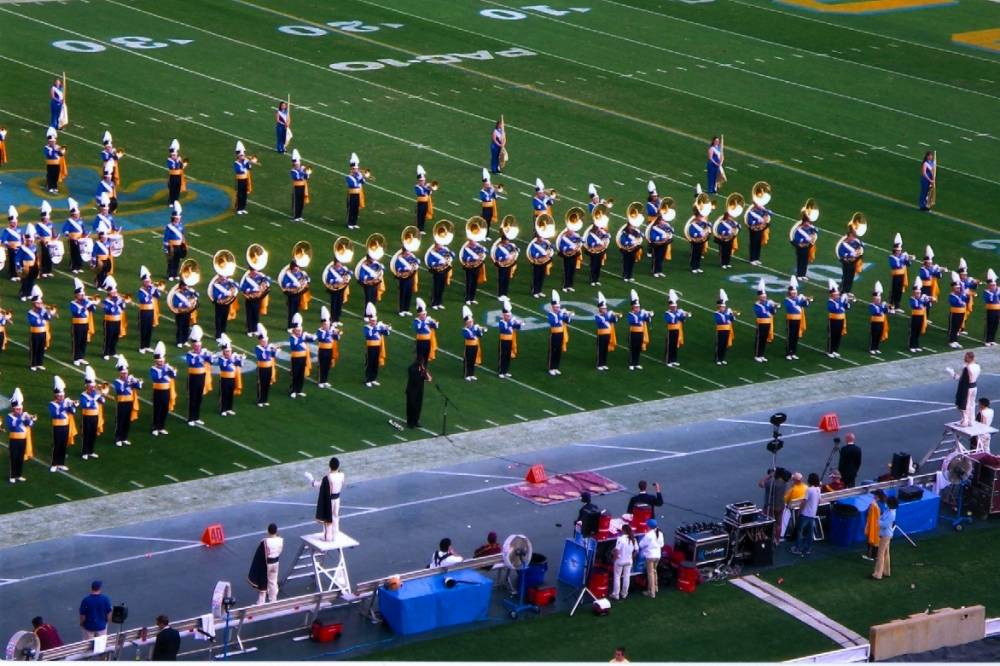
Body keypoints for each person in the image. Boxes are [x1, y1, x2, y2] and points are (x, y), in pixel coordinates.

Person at [308, 458, 345, 541]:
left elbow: (317, 484)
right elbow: (341, 482)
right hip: (337, 498)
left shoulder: (328, 477)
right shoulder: (342, 475)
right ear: (338, 466)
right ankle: (335, 535)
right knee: (335, 516)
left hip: (329, 500)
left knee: (327, 518)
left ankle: (327, 536)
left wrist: (311, 479)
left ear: (330, 466)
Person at [248, 523, 283, 605]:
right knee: (273, 581)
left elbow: (259, 556)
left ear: (268, 531)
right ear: (276, 531)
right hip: (276, 562)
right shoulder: (280, 540)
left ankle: (261, 603)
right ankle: (273, 600)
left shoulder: (265, 542)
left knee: (263, 583)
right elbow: (280, 551)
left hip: (266, 564)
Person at [184, 325, 212, 425]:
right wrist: (201, 356)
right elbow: (191, 362)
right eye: (196, 346)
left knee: (199, 397)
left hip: (202, 376)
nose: (198, 348)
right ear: (193, 347)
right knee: (193, 397)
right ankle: (191, 418)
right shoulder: (189, 354)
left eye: (199, 346)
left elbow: (210, 361)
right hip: (193, 377)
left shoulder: (203, 353)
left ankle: (197, 417)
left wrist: (210, 356)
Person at [149, 341, 177, 437]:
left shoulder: (166, 368)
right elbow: (156, 378)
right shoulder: (153, 369)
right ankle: (155, 427)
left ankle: (161, 427)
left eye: (162, 361)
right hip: (158, 391)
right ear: (156, 362)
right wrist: (166, 371)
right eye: (159, 362)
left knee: (165, 409)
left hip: (166, 391)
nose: (161, 363)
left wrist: (172, 371)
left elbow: (173, 376)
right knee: (157, 409)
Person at [112, 356, 141, 447]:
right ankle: (118, 438)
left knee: (127, 421)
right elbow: (120, 390)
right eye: (123, 374)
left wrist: (137, 382)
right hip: (121, 403)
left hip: (129, 402)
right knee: (120, 421)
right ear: (120, 374)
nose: (125, 375)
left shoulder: (129, 379)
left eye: (126, 373)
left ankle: (124, 437)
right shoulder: (117, 381)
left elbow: (139, 387)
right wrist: (128, 382)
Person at [791, 473, 821, 557]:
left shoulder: (809, 490)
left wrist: (799, 511)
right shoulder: (818, 489)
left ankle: (797, 548)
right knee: (810, 532)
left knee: (800, 531)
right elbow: (819, 501)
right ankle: (808, 549)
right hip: (812, 514)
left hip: (805, 514)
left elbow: (804, 502)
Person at [949, 351, 981, 427]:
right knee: (971, 404)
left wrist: (952, 374)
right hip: (974, 387)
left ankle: (965, 421)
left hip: (967, 388)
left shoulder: (967, 367)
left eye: (966, 357)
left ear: (970, 358)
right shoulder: (977, 366)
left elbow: (962, 379)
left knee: (964, 404)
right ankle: (971, 421)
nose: (964, 358)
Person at [287, 313, 315, 398]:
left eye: (300, 331)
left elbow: (313, 339)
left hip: (303, 358)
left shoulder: (302, 336)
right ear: (294, 331)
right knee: (295, 374)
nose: (299, 332)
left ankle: (299, 390)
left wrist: (311, 336)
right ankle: (293, 390)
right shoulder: (292, 338)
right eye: (297, 331)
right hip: (295, 358)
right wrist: (303, 337)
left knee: (301, 374)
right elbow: (295, 344)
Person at [363, 302, 391, 388]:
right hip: (370, 347)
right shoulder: (367, 328)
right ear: (370, 321)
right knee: (370, 363)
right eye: (373, 321)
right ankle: (368, 379)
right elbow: (369, 335)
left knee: (375, 362)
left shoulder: (378, 327)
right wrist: (377, 328)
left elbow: (386, 334)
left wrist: (387, 328)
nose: (374, 322)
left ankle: (373, 378)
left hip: (378, 346)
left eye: (375, 321)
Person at [759, 467, 789, 544]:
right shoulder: (784, 483)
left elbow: (761, 484)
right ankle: (777, 540)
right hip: (780, 505)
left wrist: (769, 476)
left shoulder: (771, 483)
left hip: (770, 506)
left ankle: (769, 539)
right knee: (779, 524)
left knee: (768, 523)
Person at [547, 290, 573, 376]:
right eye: (556, 307)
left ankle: (556, 367)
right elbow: (554, 323)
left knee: (558, 351)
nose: (557, 309)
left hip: (561, 334)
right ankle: (551, 368)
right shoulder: (551, 315)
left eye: (558, 307)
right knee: (552, 351)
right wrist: (561, 314)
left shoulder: (560, 314)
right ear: (552, 307)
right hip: (554, 334)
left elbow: (568, 322)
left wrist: (568, 315)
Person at [752, 279, 778, 363]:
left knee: (764, 339)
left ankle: (761, 355)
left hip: (767, 323)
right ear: (759, 297)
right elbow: (761, 313)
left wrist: (774, 307)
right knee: (759, 339)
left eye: (765, 297)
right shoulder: (757, 305)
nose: (764, 298)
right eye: (763, 297)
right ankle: (757, 355)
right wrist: (769, 307)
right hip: (761, 323)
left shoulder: (768, 303)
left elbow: (772, 313)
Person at [784, 276, 810, 361]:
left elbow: (805, 305)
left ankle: (793, 352)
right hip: (791, 320)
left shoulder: (798, 299)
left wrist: (806, 300)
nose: (794, 295)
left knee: (795, 336)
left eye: (795, 293)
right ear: (790, 294)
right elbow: (791, 307)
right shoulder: (787, 300)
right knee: (790, 336)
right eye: (793, 293)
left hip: (798, 319)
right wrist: (800, 299)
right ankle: (788, 353)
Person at [872, 497, 898, 579]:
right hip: (886, 534)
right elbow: (881, 517)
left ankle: (878, 574)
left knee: (880, 554)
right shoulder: (889, 511)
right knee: (886, 553)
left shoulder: (891, 514)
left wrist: (878, 521)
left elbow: (885, 524)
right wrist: (880, 520)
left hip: (886, 535)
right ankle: (886, 571)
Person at [610, 524, 637, 601]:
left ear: (623, 530)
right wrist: (632, 557)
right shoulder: (633, 539)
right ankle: (624, 594)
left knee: (617, 577)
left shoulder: (620, 539)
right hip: (629, 561)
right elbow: (636, 550)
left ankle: (616, 594)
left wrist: (614, 559)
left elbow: (617, 550)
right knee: (626, 577)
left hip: (620, 561)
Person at [496, 296, 521, 378]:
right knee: (502, 356)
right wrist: (512, 322)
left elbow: (517, 328)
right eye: (508, 316)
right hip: (503, 340)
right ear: (504, 316)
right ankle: (501, 372)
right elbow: (504, 329)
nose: (509, 317)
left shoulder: (510, 321)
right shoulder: (501, 322)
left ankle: (506, 371)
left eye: (510, 316)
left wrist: (519, 324)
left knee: (507, 356)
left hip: (509, 340)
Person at [663, 290, 689, 368]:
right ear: (670, 307)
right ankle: (668, 360)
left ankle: (674, 360)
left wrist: (685, 316)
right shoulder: (667, 313)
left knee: (675, 345)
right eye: (673, 307)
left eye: (675, 307)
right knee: (670, 345)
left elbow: (681, 320)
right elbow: (671, 321)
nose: (674, 308)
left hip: (677, 330)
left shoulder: (677, 312)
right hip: (671, 330)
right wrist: (679, 315)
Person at [638, 519, 664, 598]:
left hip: (650, 556)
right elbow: (662, 545)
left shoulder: (648, 535)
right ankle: (656, 588)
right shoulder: (660, 533)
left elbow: (641, 544)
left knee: (650, 574)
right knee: (654, 571)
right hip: (658, 555)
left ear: (649, 526)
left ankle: (651, 592)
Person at [887, 233, 912, 313]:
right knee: (894, 290)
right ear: (894, 250)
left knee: (899, 290)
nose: (899, 252)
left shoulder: (902, 256)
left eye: (900, 251)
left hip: (902, 275)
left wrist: (908, 259)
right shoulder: (892, 257)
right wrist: (903, 258)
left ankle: (897, 305)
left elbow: (908, 264)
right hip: (896, 275)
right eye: (898, 251)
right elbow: (896, 264)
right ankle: (891, 305)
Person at [826, 280, 851, 359]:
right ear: (832, 295)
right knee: (832, 335)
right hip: (833, 320)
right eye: (836, 295)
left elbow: (846, 307)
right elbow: (833, 309)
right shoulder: (830, 302)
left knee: (838, 335)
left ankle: (835, 350)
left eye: (838, 295)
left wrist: (847, 301)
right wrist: (841, 304)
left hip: (840, 320)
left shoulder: (840, 300)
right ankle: (830, 350)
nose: (837, 296)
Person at [405, 357, 431, 429]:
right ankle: (410, 422)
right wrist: (422, 373)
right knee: (411, 407)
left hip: (419, 391)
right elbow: (415, 379)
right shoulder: (412, 369)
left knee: (418, 407)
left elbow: (429, 379)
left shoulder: (422, 369)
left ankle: (416, 421)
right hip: (412, 391)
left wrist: (424, 370)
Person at [781, 472, 806, 539]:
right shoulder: (806, 487)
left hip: (793, 508)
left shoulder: (793, 489)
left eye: (793, 479)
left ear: (795, 480)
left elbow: (784, 500)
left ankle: (782, 533)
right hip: (804, 508)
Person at [714, 289, 735, 366]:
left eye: (724, 307)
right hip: (720, 330)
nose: (723, 308)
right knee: (720, 344)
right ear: (719, 307)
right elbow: (720, 321)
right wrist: (728, 316)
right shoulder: (717, 313)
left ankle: (722, 358)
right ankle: (718, 359)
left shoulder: (727, 313)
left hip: (727, 330)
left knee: (725, 345)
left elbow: (732, 320)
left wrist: (732, 315)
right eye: (722, 307)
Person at [863, 490, 886, 562]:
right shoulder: (882, 503)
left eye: (874, 494)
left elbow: (873, 515)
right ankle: (875, 556)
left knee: (873, 539)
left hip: (875, 525)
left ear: (877, 496)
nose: (873, 496)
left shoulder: (875, 505)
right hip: (880, 525)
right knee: (877, 541)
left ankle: (871, 556)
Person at [345, 152, 365, 230]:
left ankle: (354, 222)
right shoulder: (348, 176)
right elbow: (353, 184)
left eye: (357, 169)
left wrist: (361, 177)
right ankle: (349, 223)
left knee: (356, 209)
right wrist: (358, 177)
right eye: (355, 169)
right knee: (351, 209)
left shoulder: (358, 175)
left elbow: (363, 182)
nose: (356, 170)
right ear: (352, 169)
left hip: (358, 194)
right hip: (352, 194)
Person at [869, 282, 890, 355]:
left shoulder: (881, 305)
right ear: (874, 300)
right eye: (877, 300)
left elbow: (885, 312)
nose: (879, 301)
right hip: (875, 322)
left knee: (879, 335)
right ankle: (872, 348)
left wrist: (887, 307)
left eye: (879, 300)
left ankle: (876, 348)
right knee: (874, 335)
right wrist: (882, 307)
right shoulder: (872, 305)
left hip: (881, 322)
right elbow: (875, 312)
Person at [289, 149, 310, 222]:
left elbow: (306, 177)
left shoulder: (302, 168)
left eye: (299, 162)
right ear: (294, 164)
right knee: (296, 202)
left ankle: (300, 215)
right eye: (297, 163)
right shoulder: (293, 171)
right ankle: (295, 216)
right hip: (296, 187)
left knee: (301, 201)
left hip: (303, 186)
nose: (299, 164)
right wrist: (303, 173)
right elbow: (297, 177)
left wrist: (307, 174)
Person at [233, 141, 253, 215]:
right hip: (240, 180)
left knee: (245, 194)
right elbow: (238, 170)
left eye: (243, 155)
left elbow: (248, 168)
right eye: (241, 155)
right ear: (238, 156)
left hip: (245, 180)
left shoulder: (244, 162)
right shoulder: (236, 163)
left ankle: (243, 208)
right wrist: (245, 166)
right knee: (240, 194)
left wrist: (250, 163)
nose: (243, 156)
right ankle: (238, 208)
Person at [166, 139, 187, 207]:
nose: (174, 156)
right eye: (173, 155)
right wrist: (178, 162)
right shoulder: (169, 160)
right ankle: (171, 202)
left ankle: (176, 200)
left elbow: (181, 167)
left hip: (178, 176)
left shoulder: (178, 159)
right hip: (173, 177)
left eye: (175, 155)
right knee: (172, 189)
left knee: (178, 189)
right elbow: (173, 167)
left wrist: (184, 164)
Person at [414, 165, 434, 233]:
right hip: (420, 204)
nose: (423, 182)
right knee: (419, 216)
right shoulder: (417, 187)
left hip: (425, 203)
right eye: (421, 181)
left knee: (423, 216)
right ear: (419, 181)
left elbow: (429, 193)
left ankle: (422, 229)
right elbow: (421, 193)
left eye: (423, 181)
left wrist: (430, 188)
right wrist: (426, 187)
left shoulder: (424, 187)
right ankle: (418, 229)